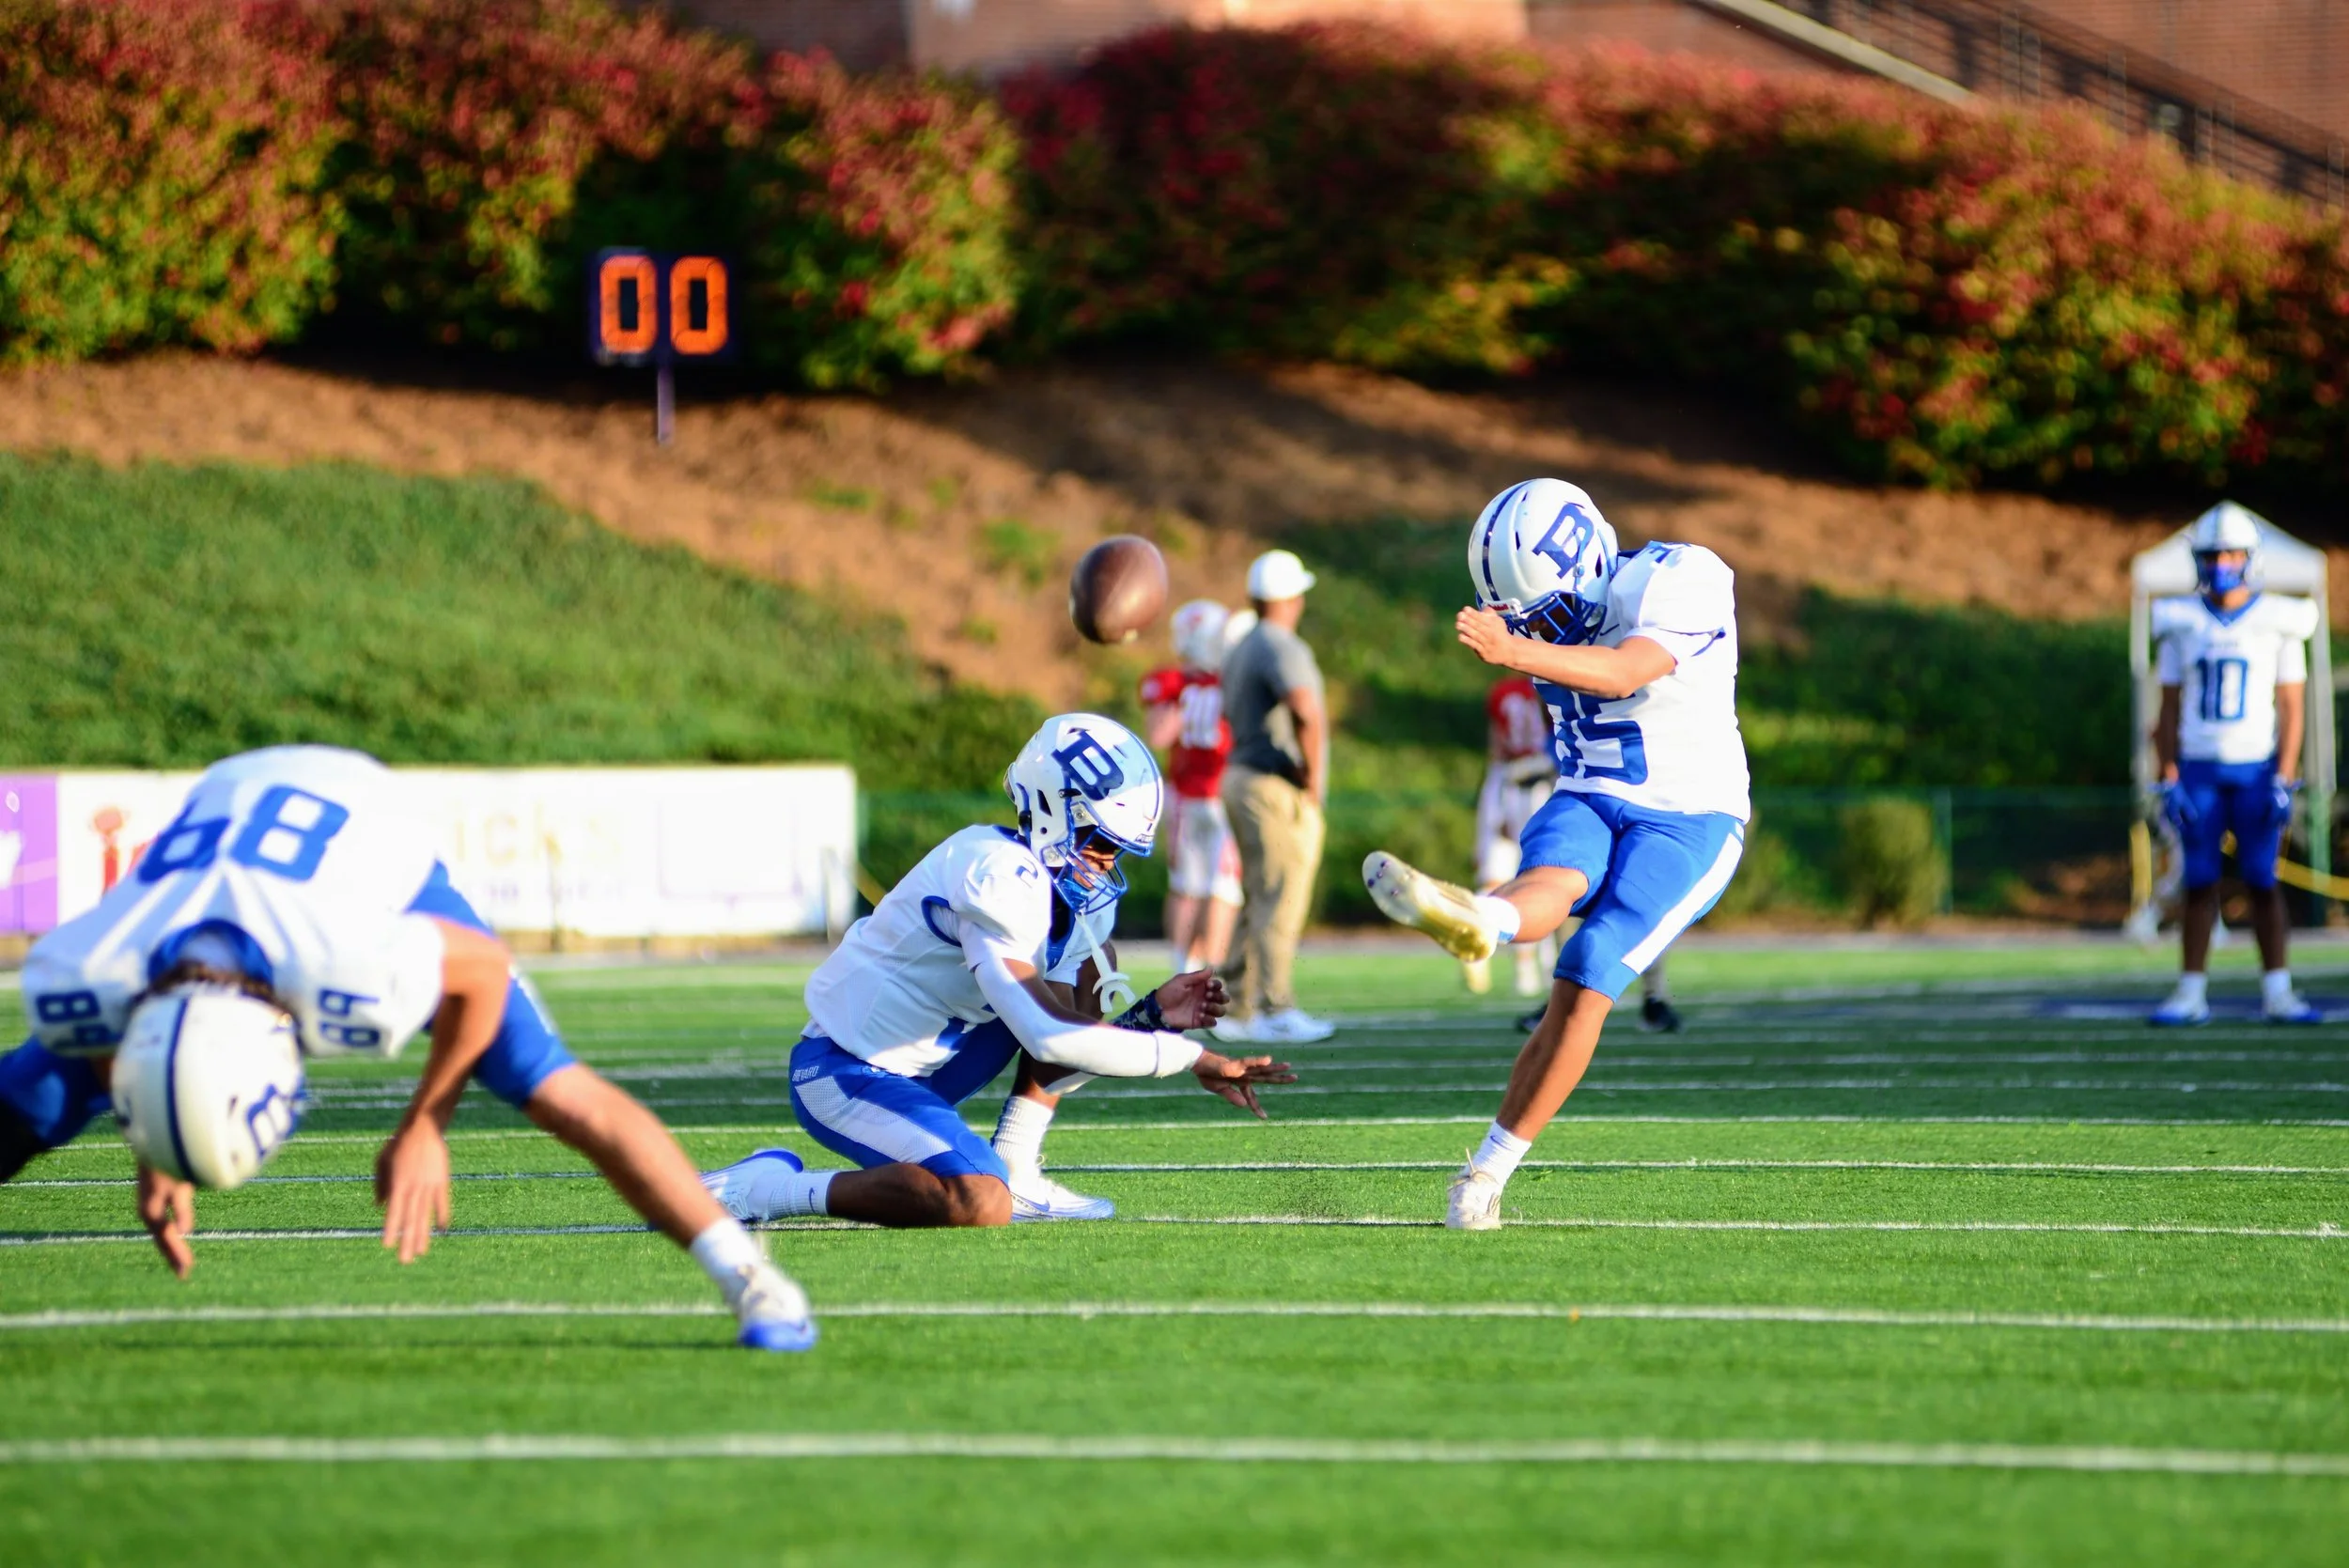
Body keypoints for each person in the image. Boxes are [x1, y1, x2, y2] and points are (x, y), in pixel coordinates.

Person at [0, 745, 816, 1350]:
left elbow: (480, 970)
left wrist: (427, 1121)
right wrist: (157, 1138)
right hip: (223, 822)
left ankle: (750, 1275)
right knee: (30, 1102)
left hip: (361, 831)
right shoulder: (84, 970)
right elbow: (112, 1037)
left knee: (550, 1085)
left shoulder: (348, 961)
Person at [699, 714, 1295, 1229]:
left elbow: (1059, 1041)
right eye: (1098, 841)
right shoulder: (994, 873)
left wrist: (1150, 1017)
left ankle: (1018, 1163)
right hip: (846, 1070)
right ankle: (768, 1189)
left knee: (1095, 964)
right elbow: (1048, 1035)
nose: (1105, 862)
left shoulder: (1074, 898)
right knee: (979, 1200)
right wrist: (1191, 1057)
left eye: (1116, 849)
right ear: (1053, 809)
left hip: (934, 1067)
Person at [1360, 478, 1747, 1230]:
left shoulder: (1683, 576)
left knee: (1588, 967)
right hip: (1590, 791)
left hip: (1692, 816)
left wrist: (1514, 647)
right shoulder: (1542, 620)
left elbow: (1627, 668)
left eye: (1547, 611)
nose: (1541, 628)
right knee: (1552, 878)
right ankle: (1481, 918)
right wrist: (1521, 639)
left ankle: (1487, 1172)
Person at [2148, 501, 2325, 1026]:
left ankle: (2278, 992)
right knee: (2199, 881)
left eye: (2229, 553)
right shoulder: (2180, 621)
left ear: (2250, 557)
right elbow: (2168, 708)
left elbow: (2292, 706)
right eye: (2211, 554)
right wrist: (2168, 774)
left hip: (2256, 770)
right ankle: (2190, 992)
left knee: (2262, 881)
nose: (2220, 563)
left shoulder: (2280, 619)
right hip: (2200, 769)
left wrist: (2285, 775)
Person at [1215, 551, 1336, 1046]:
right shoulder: (1279, 643)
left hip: (1241, 776)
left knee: (1260, 897)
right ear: (1291, 598)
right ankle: (1274, 1006)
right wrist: (1312, 778)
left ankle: (1234, 1005)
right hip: (1271, 783)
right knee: (1280, 898)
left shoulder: (1243, 644)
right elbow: (1305, 709)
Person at [1141, 600, 1247, 975]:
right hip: (1219, 794)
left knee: (1188, 885)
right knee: (1220, 888)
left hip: (1186, 796)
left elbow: (1158, 735)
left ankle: (1184, 966)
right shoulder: (1231, 681)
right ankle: (1210, 969)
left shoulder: (1173, 683)